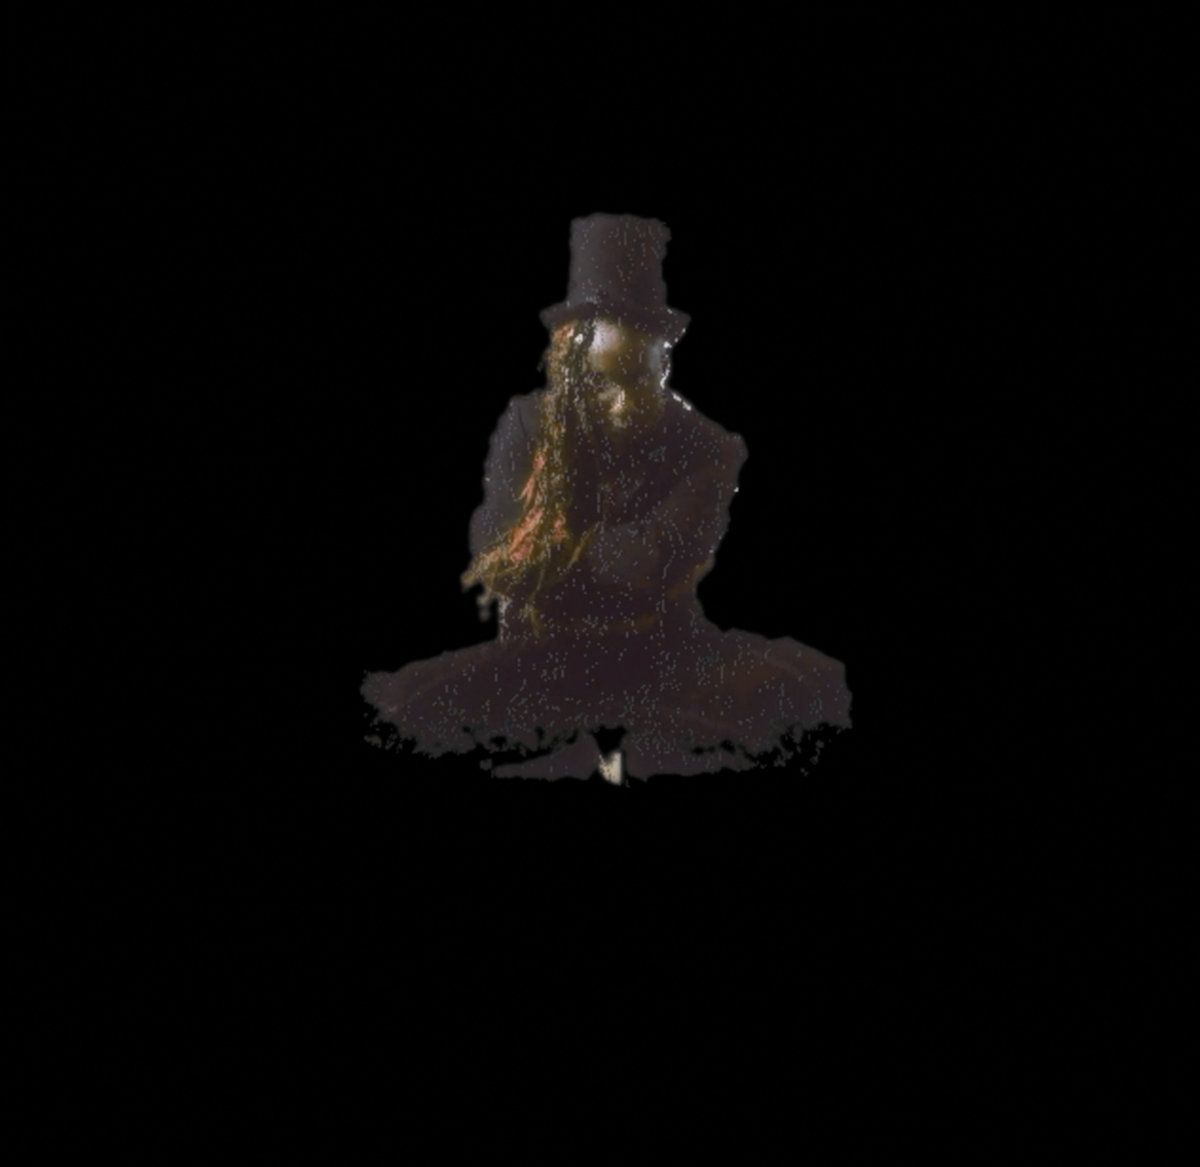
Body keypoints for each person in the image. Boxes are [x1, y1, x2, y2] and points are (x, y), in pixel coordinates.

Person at [362, 214, 851, 780]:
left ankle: (624, 760)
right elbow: (493, 545)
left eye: (637, 379)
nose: (621, 404)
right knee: (401, 709)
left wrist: (555, 551)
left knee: (805, 702)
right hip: (542, 659)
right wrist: (597, 555)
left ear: (663, 367)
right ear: (572, 370)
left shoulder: (709, 450)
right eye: (600, 381)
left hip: (662, 659)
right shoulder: (529, 424)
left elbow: (643, 564)